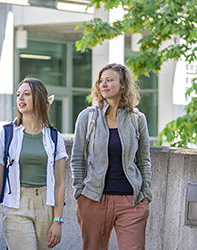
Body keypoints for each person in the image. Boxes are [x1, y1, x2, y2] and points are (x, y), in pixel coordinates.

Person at [71, 63, 152, 250]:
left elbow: (144, 160)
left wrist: (145, 194)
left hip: (131, 201)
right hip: (93, 199)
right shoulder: (87, 117)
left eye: (109, 80)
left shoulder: (137, 119)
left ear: (123, 84)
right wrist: (80, 194)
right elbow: (77, 159)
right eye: (101, 81)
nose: (104, 84)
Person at [0, 78, 68, 249]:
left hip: (47, 206)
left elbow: (60, 183)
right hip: (16, 206)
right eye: (18, 95)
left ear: (39, 98)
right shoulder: (6, 134)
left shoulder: (54, 137)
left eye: (27, 94)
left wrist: (58, 220)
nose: (20, 98)